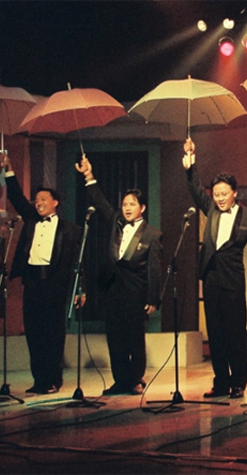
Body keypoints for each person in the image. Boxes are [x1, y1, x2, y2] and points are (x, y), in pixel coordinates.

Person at [182, 138, 247, 400]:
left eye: (224, 194)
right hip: (211, 278)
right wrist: (190, 163)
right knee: (215, 334)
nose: (219, 198)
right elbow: (195, 190)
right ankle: (220, 383)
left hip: (234, 279)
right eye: (216, 194)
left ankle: (238, 382)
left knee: (235, 334)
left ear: (234, 193)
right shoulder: (212, 210)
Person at [76, 155, 163, 395]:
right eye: (124, 204)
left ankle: (134, 378)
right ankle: (120, 380)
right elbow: (100, 201)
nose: (127, 208)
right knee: (115, 338)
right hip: (113, 291)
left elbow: (154, 268)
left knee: (134, 338)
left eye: (132, 204)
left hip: (136, 294)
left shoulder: (152, 235)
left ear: (142, 208)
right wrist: (89, 175)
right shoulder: (116, 221)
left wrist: (153, 298)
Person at [0, 152, 82, 394]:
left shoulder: (70, 230)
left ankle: (54, 379)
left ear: (55, 202)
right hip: (33, 283)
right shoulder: (31, 220)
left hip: (54, 284)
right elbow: (16, 197)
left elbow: (78, 262)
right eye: (36, 200)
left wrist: (80, 289)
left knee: (53, 334)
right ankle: (40, 380)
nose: (38, 203)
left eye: (43, 199)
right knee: (34, 333)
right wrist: (8, 169)